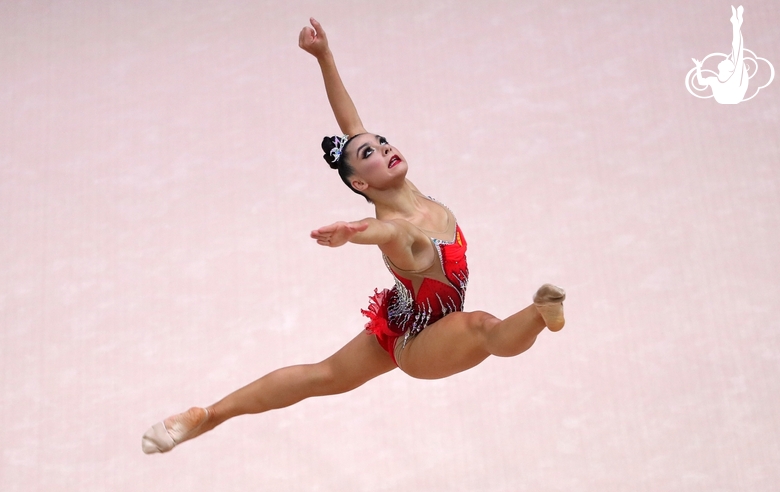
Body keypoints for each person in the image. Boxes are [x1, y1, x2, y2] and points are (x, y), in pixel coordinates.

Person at [141, 18, 566, 454]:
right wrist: (351, 232)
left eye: (382, 143)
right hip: (423, 341)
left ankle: (208, 415)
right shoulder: (403, 229)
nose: (383, 149)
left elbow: (351, 123)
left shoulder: (406, 192)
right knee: (482, 328)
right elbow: (382, 231)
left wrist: (323, 56)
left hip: (401, 318)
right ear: (362, 184)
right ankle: (541, 313)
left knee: (321, 376)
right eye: (371, 154)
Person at [692, 5, 748, 104]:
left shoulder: (733, 77)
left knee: (737, 51)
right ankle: (736, 23)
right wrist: (698, 67)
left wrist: (698, 68)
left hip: (732, 97)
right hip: (728, 97)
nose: (725, 59)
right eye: (728, 61)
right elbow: (701, 82)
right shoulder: (715, 80)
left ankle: (736, 23)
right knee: (737, 52)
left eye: (727, 61)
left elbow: (737, 48)